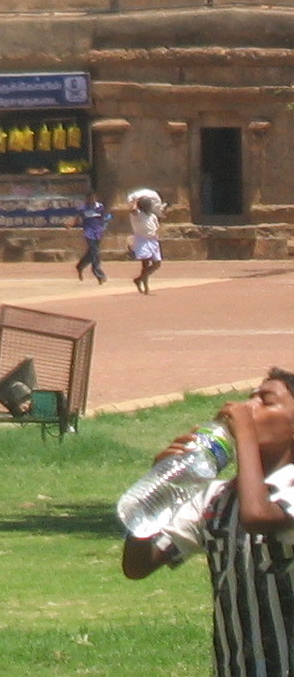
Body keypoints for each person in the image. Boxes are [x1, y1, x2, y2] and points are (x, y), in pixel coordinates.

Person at [121, 370, 294, 674]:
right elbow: (137, 566)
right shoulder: (216, 499)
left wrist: (244, 436)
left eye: (266, 401)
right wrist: (161, 489)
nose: (248, 406)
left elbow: (257, 516)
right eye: (250, 396)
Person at [130, 188, 168, 295]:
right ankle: (146, 286)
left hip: (152, 240)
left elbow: (157, 225)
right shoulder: (138, 215)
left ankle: (139, 279)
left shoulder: (152, 216)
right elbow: (132, 210)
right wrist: (136, 200)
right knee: (145, 264)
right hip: (142, 240)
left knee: (157, 263)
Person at [75, 195, 112, 285]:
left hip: (98, 232)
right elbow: (77, 218)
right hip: (88, 232)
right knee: (95, 252)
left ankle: (80, 265)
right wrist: (70, 224)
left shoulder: (100, 207)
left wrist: (104, 226)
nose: (91, 200)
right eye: (89, 198)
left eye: (93, 198)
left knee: (91, 252)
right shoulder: (83, 208)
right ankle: (99, 274)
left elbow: (106, 217)